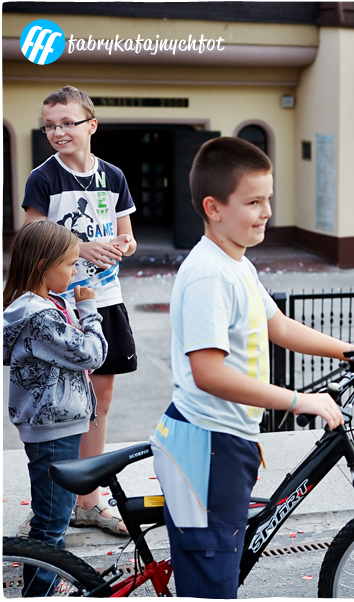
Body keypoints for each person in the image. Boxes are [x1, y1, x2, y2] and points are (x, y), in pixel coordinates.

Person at [149, 137, 354, 599]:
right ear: (213, 207)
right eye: (253, 202)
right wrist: (302, 401)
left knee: (220, 568)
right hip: (206, 446)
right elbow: (209, 373)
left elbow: (275, 323)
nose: (266, 212)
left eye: (268, 200)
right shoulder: (209, 275)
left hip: (226, 441)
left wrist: (347, 349)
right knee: (211, 586)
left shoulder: (236, 263)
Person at [23, 85, 137, 537]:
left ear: (91, 124)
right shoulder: (42, 178)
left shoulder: (113, 175)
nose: (57, 131)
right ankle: (57, 500)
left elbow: (128, 234)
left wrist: (121, 246)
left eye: (67, 122)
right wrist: (82, 247)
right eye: (50, 125)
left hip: (104, 298)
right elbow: (32, 241)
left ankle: (89, 500)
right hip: (59, 304)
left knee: (101, 399)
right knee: (64, 404)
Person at [3, 221, 107, 579]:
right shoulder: (41, 317)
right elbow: (92, 355)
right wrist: (90, 311)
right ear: (42, 266)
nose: (76, 272)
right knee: (51, 524)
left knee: (54, 518)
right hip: (53, 430)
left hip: (52, 425)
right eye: (70, 264)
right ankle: (41, 591)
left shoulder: (38, 305)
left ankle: (49, 583)